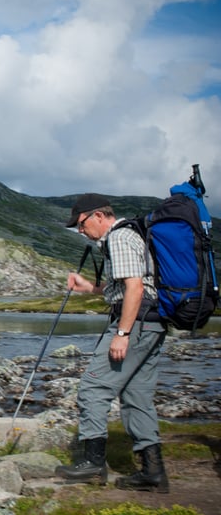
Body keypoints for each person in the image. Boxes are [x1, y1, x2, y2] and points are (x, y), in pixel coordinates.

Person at [55, 193, 169, 492]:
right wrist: (91, 288)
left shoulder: (119, 237)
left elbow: (135, 289)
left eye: (81, 224)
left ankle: (93, 464)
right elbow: (127, 284)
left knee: (93, 388)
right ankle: (153, 472)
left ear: (98, 216)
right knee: (137, 396)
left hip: (135, 325)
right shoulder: (128, 236)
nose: (81, 231)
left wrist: (122, 334)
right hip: (152, 324)